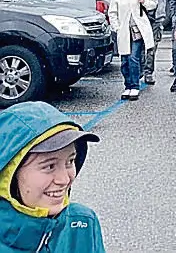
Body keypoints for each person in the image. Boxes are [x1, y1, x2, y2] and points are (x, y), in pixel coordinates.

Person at [0, 101, 104, 252]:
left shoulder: (83, 223)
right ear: (9, 175)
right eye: (49, 166)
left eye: (70, 161)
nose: (65, 179)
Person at [108, 0, 158, 101]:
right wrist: (116, 27)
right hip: (123, 31)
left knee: (133, 58)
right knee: (124, 60)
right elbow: (112, 12)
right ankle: (127, 85)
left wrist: (144, 1)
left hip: (137, 31)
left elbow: (154, 3)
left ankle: (135, 86)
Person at [142, 0, 171, 85]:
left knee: (152, 46)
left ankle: (149, 72)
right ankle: (139, 70)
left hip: (157, 16)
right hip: (142, 15)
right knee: (140, 46)